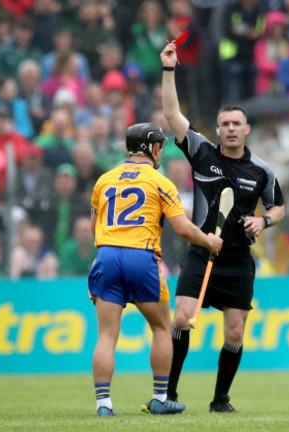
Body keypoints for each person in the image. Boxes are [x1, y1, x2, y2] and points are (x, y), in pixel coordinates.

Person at [159, 42, 285, 413]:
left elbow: (278, 208)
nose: (230, 129)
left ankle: (220, 400)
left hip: (236, 259)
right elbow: (171, 114)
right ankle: (169, 394)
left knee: (234, 333)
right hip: (201, 252)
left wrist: (263, 220)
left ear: (246, 129)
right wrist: (169, 70)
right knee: (181, 317)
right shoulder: (201, 151)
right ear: (217, 129)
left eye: (236, 124)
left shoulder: (262, 171)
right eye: (224, 124)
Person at [88, 122, 223, 417]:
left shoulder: (104, 180)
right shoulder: (160, 181)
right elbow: (183, 228)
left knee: (106, 337)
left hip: (107, 255)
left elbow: (92, 227)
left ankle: (103, 405)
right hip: (141, 256)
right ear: (153, 148)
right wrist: (208, 240)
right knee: (162, 327)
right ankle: (160, 398)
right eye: (160, 145)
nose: (162, 150)